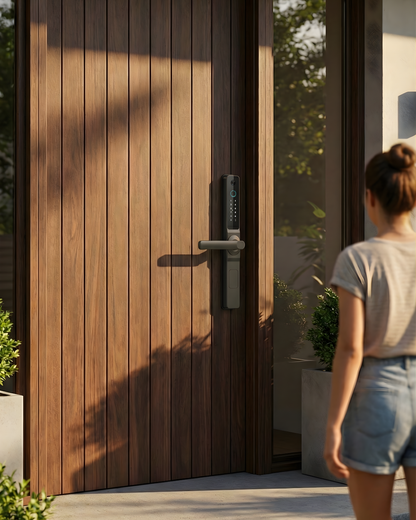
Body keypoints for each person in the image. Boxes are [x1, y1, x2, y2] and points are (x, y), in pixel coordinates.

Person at [324, 143, 416, 520]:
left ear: (369, 197)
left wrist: (332, 425)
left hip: (378, 394)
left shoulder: (358, 258)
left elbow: (350, 349)